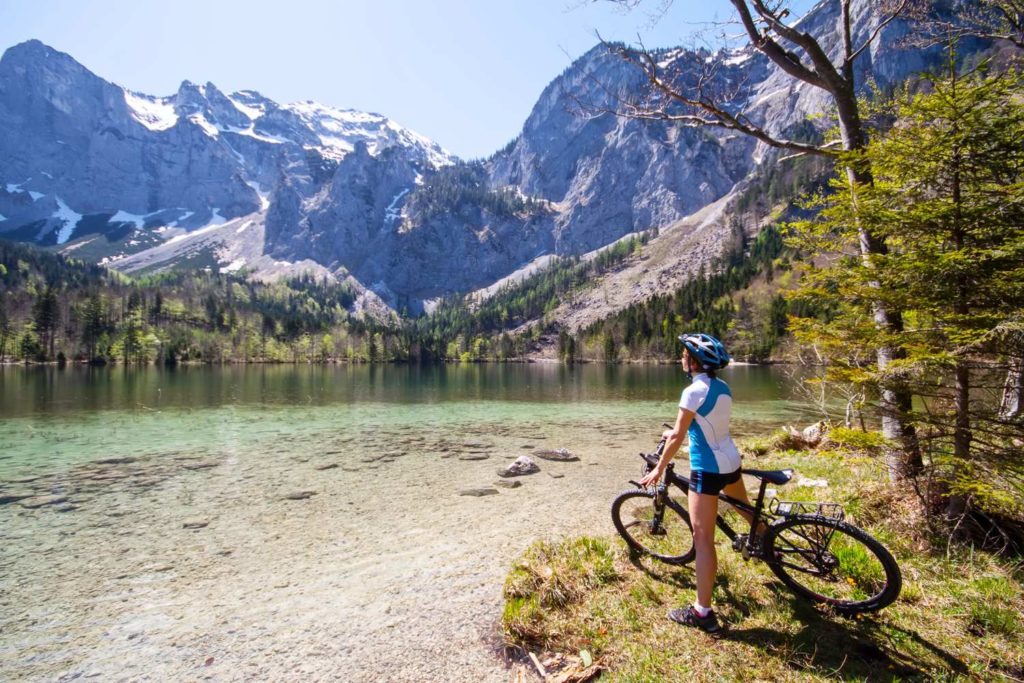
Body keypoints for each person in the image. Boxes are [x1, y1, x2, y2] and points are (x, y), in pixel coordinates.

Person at [638, 333, 753, 633]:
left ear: (693, 361)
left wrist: (659, 469)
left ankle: (702, 613)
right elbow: (704, 424)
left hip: (707, 469)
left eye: (683, 355)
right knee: (744, 509)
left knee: (702, 540)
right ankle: (768, 544)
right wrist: (675, 434)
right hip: (730, 461)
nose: (680, 359)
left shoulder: (692, 391)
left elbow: (678, 434)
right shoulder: (723, 387)